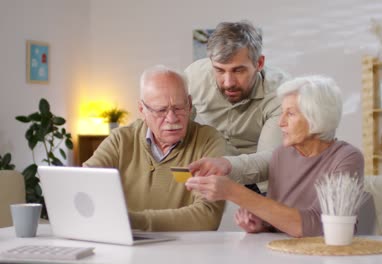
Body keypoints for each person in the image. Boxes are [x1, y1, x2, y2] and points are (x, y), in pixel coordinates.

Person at [185, 75, 364, 237]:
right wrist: (262, 225)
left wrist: (233, 192)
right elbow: (282, 222)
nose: (281, 122)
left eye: (290, 114)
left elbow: (319, 227)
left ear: (317, 118)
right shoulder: (282, 155)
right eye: (282, 112)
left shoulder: (347, 158)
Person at [84, 65, 226, 232]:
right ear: (142, 110)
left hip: (185, 252)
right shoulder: (120, 140)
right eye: (161, 110)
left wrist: (133, 222)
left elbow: (207, 216)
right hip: (127, 248)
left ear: (189, 104)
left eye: (179, 108)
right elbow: (84, 184)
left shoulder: (209, 140)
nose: (172, 118)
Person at [185, 20, 289, 193]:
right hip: (217, 163)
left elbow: (270, 162)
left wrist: (225, 165)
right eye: (219, 70)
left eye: (238, 70)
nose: (228, 83)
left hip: (264, 174)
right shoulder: (194, 78)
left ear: (259, 63)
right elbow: (176, 128)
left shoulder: (281, 93)